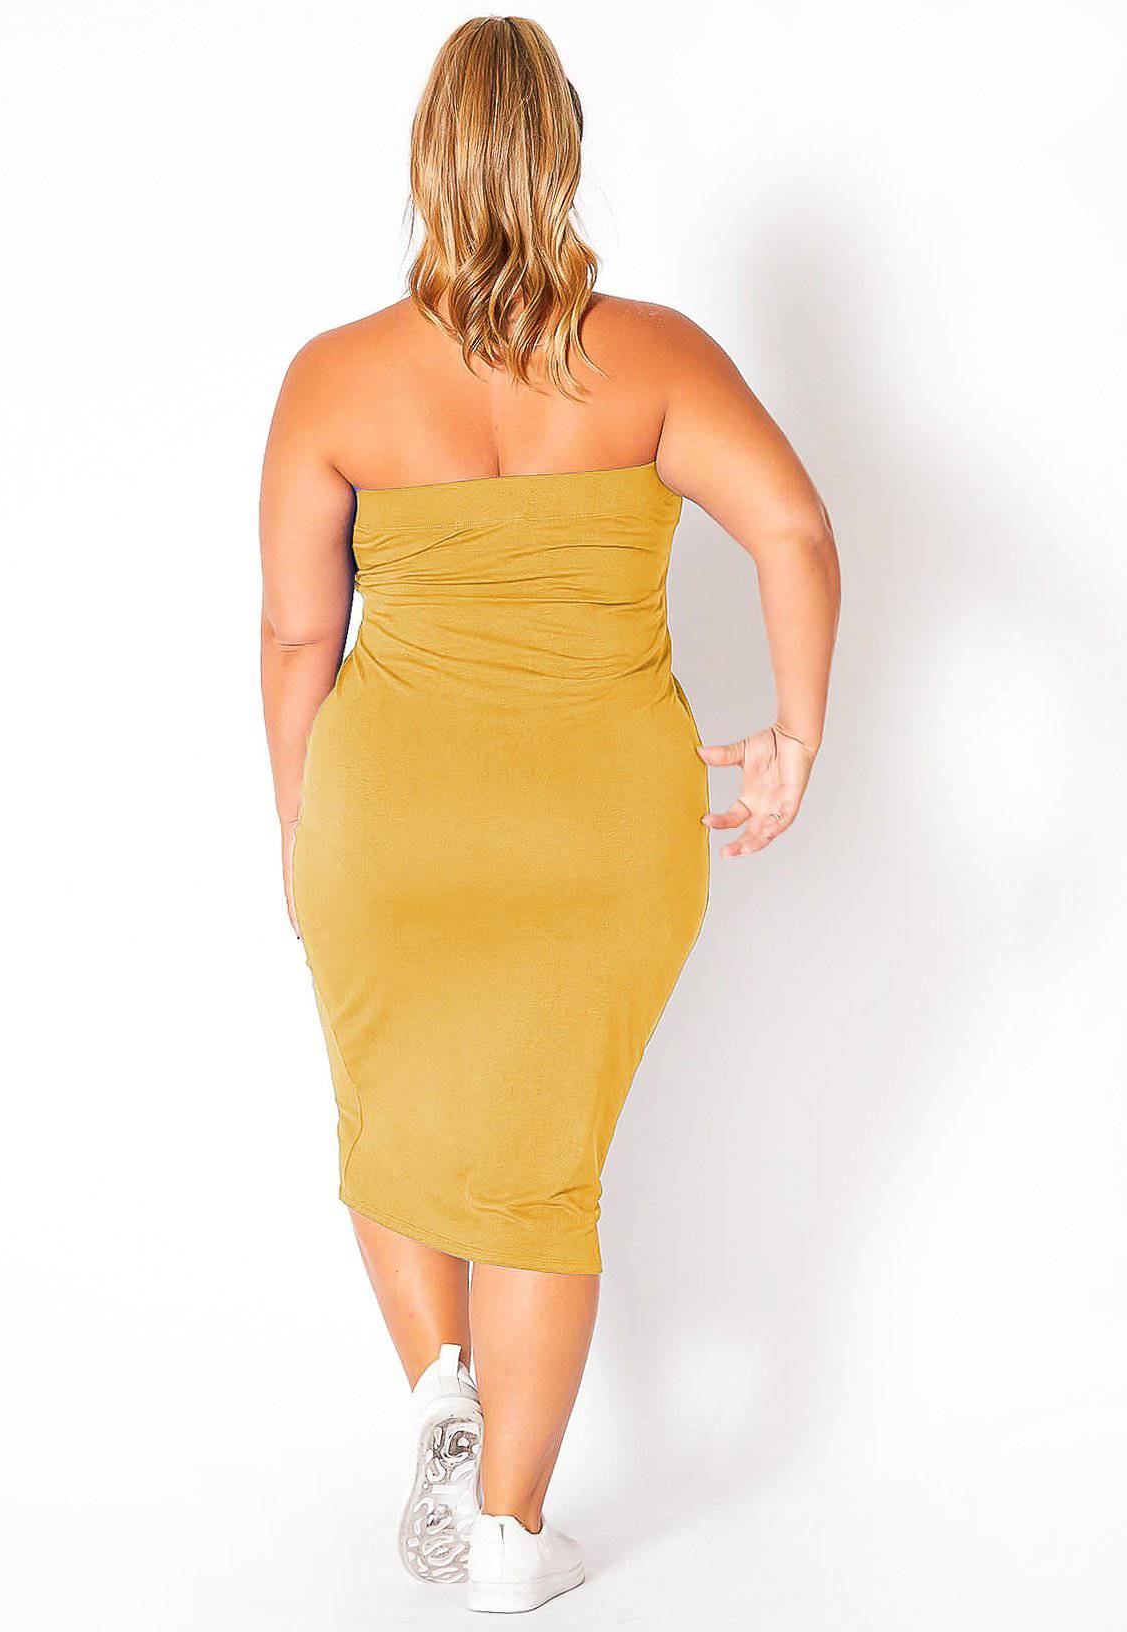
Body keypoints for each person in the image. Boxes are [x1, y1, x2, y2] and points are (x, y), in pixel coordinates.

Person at [260, 15, 839, 1614]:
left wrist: (297, 822)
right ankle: (508, 1534)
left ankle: (439, 1393)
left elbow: (300, 634)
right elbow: (792, 530)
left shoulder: (333, 379)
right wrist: (794, 736)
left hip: (392, 816)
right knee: (540, 1175)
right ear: (562, 152)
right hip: (603, 827)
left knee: (389, 1121)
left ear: (426, 161)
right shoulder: (654, 358)